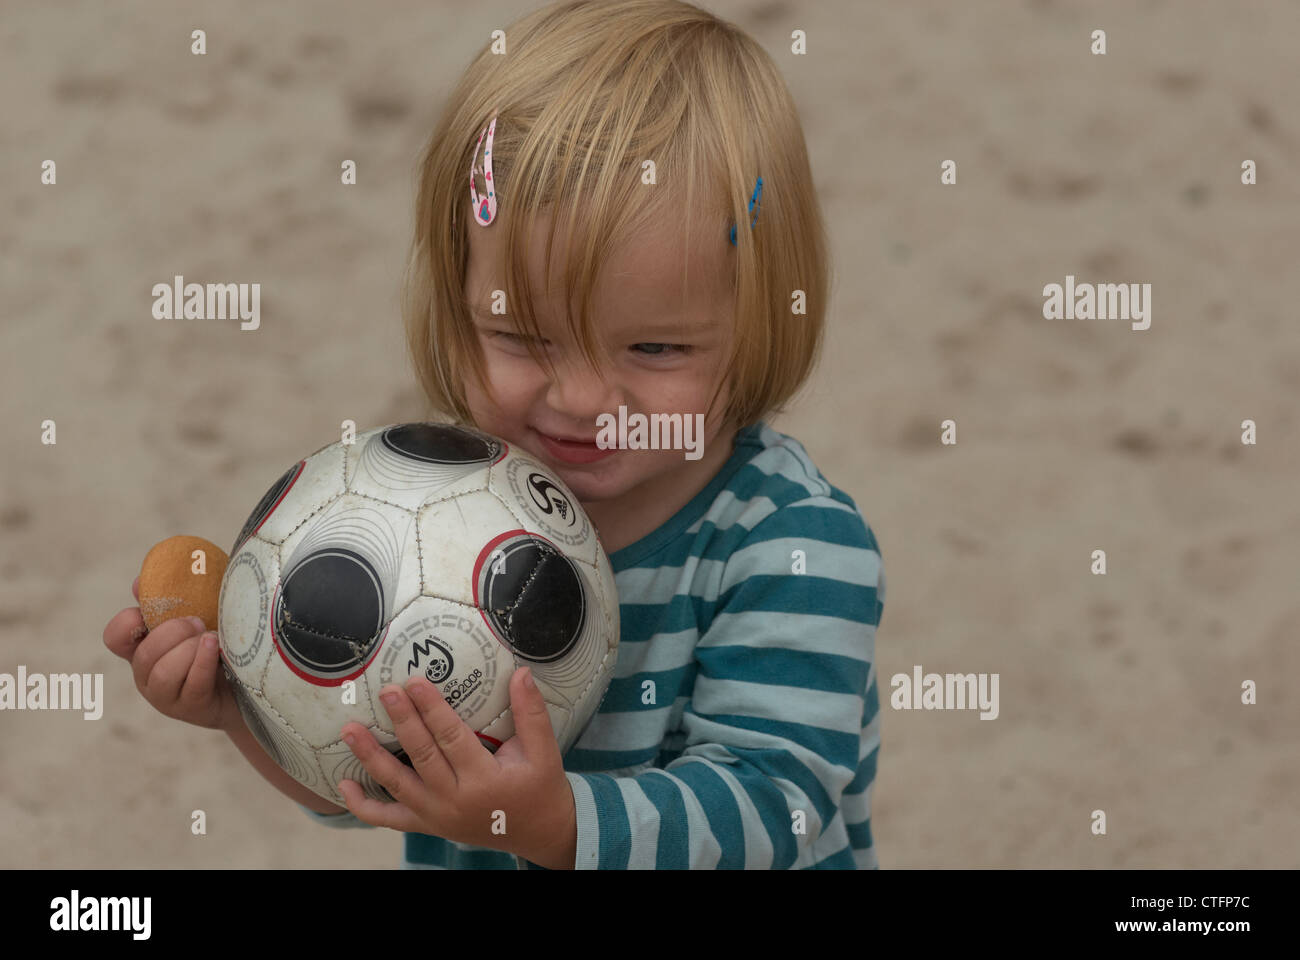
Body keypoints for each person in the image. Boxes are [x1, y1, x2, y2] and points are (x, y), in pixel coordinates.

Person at [103, 0, 885, 869]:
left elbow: (776, 808)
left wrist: (553, 823)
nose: (583, 396)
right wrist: (244, 708)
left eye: (656, 347)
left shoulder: (790, 545)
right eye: (526, 337)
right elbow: (365, 782)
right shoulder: (422, 520)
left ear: (760, 326)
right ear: (459, 306)